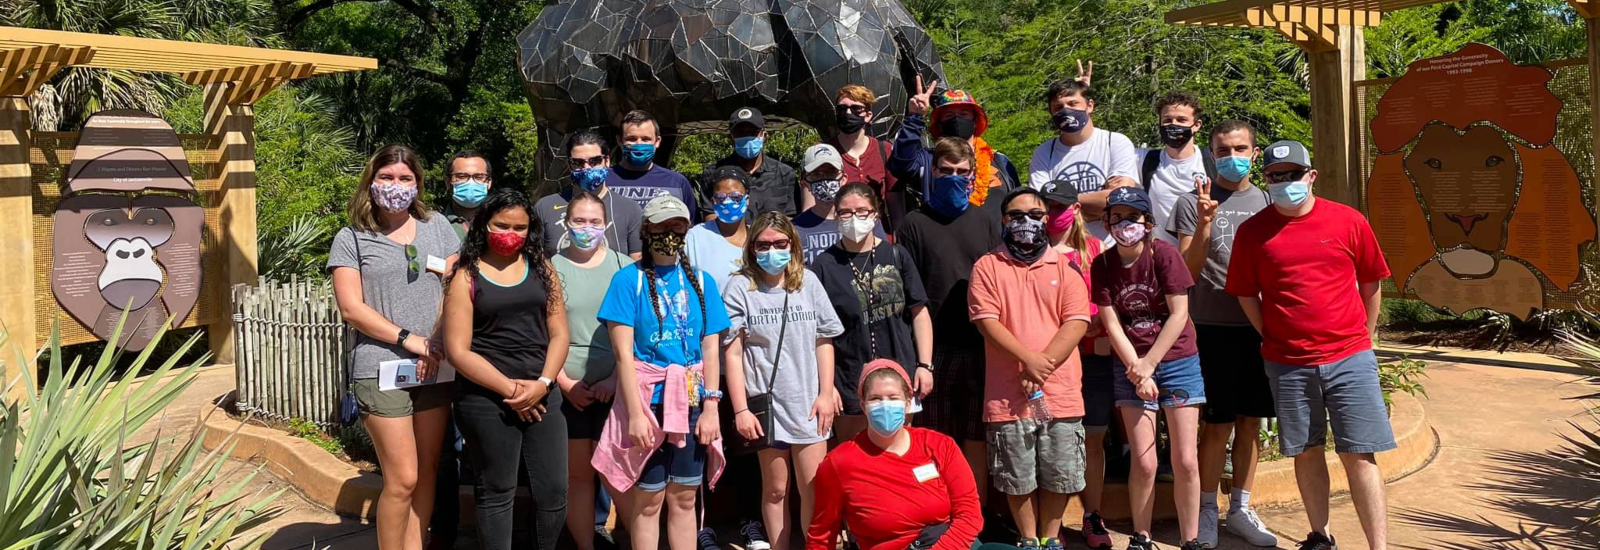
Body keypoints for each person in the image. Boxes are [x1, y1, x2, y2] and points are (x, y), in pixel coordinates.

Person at [1226, 140, 1394, 550]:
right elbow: (1246, 292)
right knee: (1306, 451)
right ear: (1265, 180)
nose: (1285, 183)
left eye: (1293, 175)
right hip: (1287, 363)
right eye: (1275, 177)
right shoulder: (1252, 233)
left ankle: (1379, 546)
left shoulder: (1348, 221)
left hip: (1349, 358)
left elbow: (1371, 281)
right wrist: (1269, 333)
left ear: (1311, 176)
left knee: (1360, 455)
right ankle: (1320, 536)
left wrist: (1364, 337)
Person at [328, 144, 458, 550]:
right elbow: (351, 308)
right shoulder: (351, 238)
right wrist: (410, 340)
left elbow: (456, 288)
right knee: (402, 478)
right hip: (380, 367)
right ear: (371, 181)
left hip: (437, 363)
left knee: (428, 470)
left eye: (405, 178)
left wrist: (436, 341)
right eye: (386, 177)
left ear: (418, 184)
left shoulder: (438, 227)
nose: (396, 186)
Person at [594, 195, 731, 550]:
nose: (669, 234)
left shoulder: (702, 282)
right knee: (649, 499)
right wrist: (635, 415)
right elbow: (623, 355)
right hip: (647, 402)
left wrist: (712, 407)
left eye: (677, 227)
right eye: (661, 226)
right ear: (645, 230)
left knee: (685, 498)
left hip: (691, 402)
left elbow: (711, 348)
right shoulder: (628, 281)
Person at [1164, 121, 1278, 548]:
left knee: (1251, 422)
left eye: (1240, 148)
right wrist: (1207, 224)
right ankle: (1207, 509)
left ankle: (1241, 509)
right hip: (1210, 328)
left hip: (1261, 326)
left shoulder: (1269, 200)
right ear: (1210, 154)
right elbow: (1185, 272)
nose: (1232, 156)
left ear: (1254, 151)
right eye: (1223, 149)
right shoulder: (1193, 202)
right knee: (1217, 424)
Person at [440, 189, 570, 550]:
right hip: (485, 399)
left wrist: (542, 384)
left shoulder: (543, 267)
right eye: (501, 225)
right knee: (496, 490)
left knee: (554, 490)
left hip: (544, 394)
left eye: (520, 227)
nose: (510, 233)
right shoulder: (465, 274)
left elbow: (559, 333)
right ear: (484, 224)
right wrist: (511, 391)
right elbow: (458, 350)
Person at [968, 188, 1093, 550]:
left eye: (1036, 215)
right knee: (1015, 475)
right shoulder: (987, 266)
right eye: (1017, 215)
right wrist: (1029, 359)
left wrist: (1042, 365)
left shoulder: (1065, 266)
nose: (1027, 222)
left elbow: (1076, 321)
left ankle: (1050, 539)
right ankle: (1027, 539)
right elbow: (987, 321)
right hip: (1007, 396)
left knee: (1059, 472)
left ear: (1046, 220)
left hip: (1062, 392)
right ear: (1004, 220)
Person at [1090, 186, 1205, 550]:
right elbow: (1111, 323)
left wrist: (1150, 365)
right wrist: (1137, 370)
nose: (1125, 224)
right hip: (1132, 367)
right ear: (1106, 221)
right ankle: (1142, 536)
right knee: (1144, 462)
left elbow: (1179, 314)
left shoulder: (1164, 254)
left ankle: (1191, 539)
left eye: (1133, 217)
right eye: (1117, 217)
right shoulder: (1103, 264)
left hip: (1177, 361)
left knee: (1185, 460)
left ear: (1148, 222)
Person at [724, 212, 846, 550]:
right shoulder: (739, 286)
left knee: (813, 486)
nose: (772, 250)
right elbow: (732, 354)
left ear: (792, 245)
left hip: (809, 402)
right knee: (775, 489)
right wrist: (740, 410)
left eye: (780, 243)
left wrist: (825, 391)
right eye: (763, 244)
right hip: (766, 407)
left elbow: (825, 340)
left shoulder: (808, 282)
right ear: (752, 248)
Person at [893, 137, 1002, 508]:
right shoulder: (913, 223)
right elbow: (907, 291)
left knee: (976, 437)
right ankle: (937, 514)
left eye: (961, 172)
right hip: (933, 349)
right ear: (933, 172)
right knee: (933, 436)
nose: (954, 177)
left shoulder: (986, 220)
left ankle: (975, 517)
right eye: (946, 171)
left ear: (972, 175)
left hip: (980, 345)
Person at [807, 359, 982, 550]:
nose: (885, 405)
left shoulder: (940, 446)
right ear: (863, 405)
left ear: (907, 404)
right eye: (875, 398)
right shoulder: (838, 463)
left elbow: (969, 514)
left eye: (893, 397)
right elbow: (821, 537)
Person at [811, 183, 932, 443]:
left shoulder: (897, 255)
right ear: (836, 216)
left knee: (901, 451)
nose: (854, 219)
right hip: (848, 380)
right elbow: (820, 334)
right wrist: (826, 385)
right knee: (856, 456)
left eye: (862, 212)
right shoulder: (823, 265)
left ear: (875, 213)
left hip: (900, 375)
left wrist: (925, 365)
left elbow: (919, 312)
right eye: (845, 213)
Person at [552, 190, 632, 550]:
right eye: (579, 221)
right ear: (566, 224)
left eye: (595, 222)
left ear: (607, 225)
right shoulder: (550, 267)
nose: (587, 228)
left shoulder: (624, 268)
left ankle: (635, 541)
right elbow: (542, 332)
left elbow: (638, 330)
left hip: (617, 387)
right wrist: (565, 383)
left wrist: (616, 378)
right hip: (567, 388)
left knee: (619, 475)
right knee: (579, 476)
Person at [1035, 180, 1113, 549]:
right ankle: (1051, 524)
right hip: (1051, 365)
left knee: (1093, 441)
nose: (1053, 214)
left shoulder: (1095, 251)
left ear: (1076, 208)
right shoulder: (1031, 252)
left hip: (1091, 359)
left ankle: (1092, 515)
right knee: (1049, 442)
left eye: (1059, 206)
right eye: (1046, 207)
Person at [1028, 78, 1139, 248]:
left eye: (1073, 103)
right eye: (1058, 107)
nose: (1066, 111)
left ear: (1090, 105)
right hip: (1064, 252)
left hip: (1112, 249)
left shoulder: (1115, 142)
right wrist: (1100, 203)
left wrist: (1062, 202)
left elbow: (1120, 202)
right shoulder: (1044, 152)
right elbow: (1041, 207)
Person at [889, 77, 1019, 211]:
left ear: (975, 121)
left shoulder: (999, 161)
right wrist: (915, 117)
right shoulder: (928, 159)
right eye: (949, 115)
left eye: (964, 114)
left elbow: (1018, 203)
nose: (956, 119)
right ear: (940, 124)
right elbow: (900, 166)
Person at [535, 130, 645, 259]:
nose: (587, 167)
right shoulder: (545, 207)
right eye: (578, 162)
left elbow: (637, 261)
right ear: (569, 165)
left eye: (595, 161)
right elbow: (537, 261)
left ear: (607, 161)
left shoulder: (630, 209)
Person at [1139, 92, 1218, 245]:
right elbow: (1104, 149)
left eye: (1182, 120)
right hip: (1159, 259)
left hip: (1201, 258)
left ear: (1196, 125)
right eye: (1167, 120)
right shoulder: (1145, 160)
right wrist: (1083, 94)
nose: (1173, 125)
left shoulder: (1212, 162)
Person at [702, 107, 808, 218]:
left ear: (764, 136)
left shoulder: (785, 174)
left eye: (753, 132)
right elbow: (710, 216)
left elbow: (792, 218)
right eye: (741, 133)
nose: (747, 137)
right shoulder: (713, 173)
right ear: (730, 138)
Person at [823, 85, 901, 231]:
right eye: (842, 109)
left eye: (856, 109)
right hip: (838, 235)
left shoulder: (885, 150)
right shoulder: (824, 152)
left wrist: (898, 239)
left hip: (878, 235)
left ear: (868, 115)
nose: (848, 113)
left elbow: (895, 203)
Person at [792, 144, 886, 264]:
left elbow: (883, 261)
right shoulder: (794, 229)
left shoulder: (867, 220)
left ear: (843, 179)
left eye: (831, 173)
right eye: (816, 174)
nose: (824, 179)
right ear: (805, 183)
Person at [610, 110, 698, 211]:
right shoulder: (604, 181)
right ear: (619, 141)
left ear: (657, 141)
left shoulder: (677, 183)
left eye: (645, 139)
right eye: (632, 139)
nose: (639, 144)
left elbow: (691, 224)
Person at [686, 166, 752, 290]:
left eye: (736, 197)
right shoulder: (695, 237)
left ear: (747, 200)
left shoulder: (761, 239)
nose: (727, 202)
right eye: (720, 198)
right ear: (713, 201)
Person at [442, 150, 494, 240]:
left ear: (489, 182)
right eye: (462, 176)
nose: (471, 182)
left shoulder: (501, 224)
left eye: (478, 177)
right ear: (448, 182)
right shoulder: (435, 226)